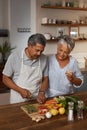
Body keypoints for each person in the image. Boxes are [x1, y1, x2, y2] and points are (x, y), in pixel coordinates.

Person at [2, 33, 48, 104]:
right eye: (37, 50)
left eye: (41, 51)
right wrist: (20, 90)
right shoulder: (15, 57)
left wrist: (41, 92)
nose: (39, 54)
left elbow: (45, 78)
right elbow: (5, 78)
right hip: (18, 99)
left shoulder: (44, 58)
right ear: (29, 45)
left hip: (36, 99)